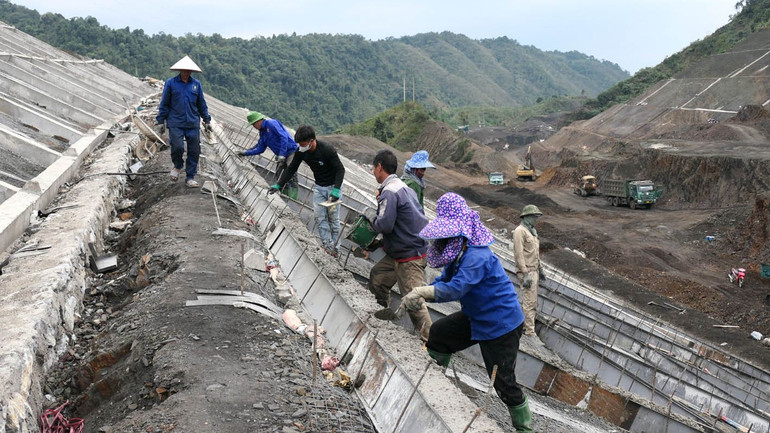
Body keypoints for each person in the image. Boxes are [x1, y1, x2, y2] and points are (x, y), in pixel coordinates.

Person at [400, 192, 533, 432]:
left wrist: (422, 291)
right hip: (477, 316)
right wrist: (425, 291)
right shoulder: (458, 252)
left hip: (500, 324)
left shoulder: (477, 256)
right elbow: (447, 279)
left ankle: (525, 428)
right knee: (439, 333)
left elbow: (456, 289)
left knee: (503, 382)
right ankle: (434, 381)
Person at [367, 150, 432, 341]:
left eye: (373, 168)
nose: (373, 172)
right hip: (401, 251)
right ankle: (382, 313)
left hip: (410, 255)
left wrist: (373, 220)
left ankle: (432, 344)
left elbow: (385, 224)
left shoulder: (390, 191)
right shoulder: (405, 187)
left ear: (379, 167)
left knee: (414, 302)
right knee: (378, 277)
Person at [271, 125, 345, 256]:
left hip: (333, 188)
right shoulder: (301, 151)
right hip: (319, 187)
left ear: (311, 141)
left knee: (333, 219)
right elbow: (292, 168)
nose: (301, 146)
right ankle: (328, 247)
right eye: (299, 144)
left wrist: (336, 190)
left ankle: (336, 249)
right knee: (319, 217)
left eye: (303, 143)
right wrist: (279, 184)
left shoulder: (327, 150)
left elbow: (340, 169)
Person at [156, 55, 212, 188]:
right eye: (184, 70)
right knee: (177, 147)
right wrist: (160, 120)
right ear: (180, 70)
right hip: (176, 122)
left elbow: (201, 104)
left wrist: (207, 120)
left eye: (189, 70)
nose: (186, 72)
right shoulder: (171, 83)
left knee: (194, 150)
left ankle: (190, 176)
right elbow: (164, 102)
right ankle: (178, 165)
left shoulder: (196, 85)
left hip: (192, 122)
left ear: (191, 71)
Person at [238, 112, 299, 200]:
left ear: (258, 121)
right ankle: (284, 195)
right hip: (281, 155)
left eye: (254, 124)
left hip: (291, 151)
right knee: (279, 174)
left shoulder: (272, 124)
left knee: (291, 172)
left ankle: (292, 198)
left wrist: (282, 154)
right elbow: (260, 148)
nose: (254, 127)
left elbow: (284, 137)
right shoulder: (262, 133)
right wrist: (245, 153)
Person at [513, 204, 546, 339]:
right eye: (534, 217)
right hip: (527, 271)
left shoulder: (531, 231)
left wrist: (541, 269)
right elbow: (518, 253)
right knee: (529, 302)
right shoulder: (520, 231)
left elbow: (535, 253)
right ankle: (529, 331)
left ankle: (527, 328)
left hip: (534, 270)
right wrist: (525, 273)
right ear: (526, 217)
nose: (535, 219)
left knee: (532, 302)